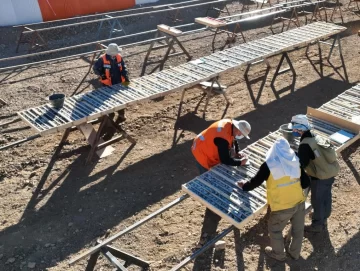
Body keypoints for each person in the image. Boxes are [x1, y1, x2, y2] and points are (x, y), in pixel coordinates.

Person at [237, 138, 310, 261]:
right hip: (299, 201)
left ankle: (279, 255)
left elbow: (255, 182)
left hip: (282, 206)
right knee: (298, 230)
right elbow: (306, 182)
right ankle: (294, 253)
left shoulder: (269, 165)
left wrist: (244, 186)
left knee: (275, 230)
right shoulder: (295, 161)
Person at [191, 119, 251, 247]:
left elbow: (233, 140)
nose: (240, 136)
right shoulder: (222, 137)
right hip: (202, 152)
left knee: (220, 174)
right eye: (240, 133)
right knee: (212, 180)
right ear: (236, 128)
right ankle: (211, 197)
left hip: (206, 143)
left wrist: (237, 152)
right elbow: (225, 160)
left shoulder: (230, 126)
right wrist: (240, 163)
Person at [290, 114, 338, 233]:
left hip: (320, 176)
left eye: (294, 127)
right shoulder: (315, 136)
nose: (293, 129)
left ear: (299, 128)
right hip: (330, 171)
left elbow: (302, 164)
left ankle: (317, 225)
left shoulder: (305, 144)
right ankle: (324, 217)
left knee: (317, 201)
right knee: (326, 196)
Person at [93, 43, 130, 139]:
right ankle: (111, 116)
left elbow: (123, 68)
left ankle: (121, 115)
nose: (115, 54)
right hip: (107, 84)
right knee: (109, 101)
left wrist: (126, 78)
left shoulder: (119, 57)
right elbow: (96, 69)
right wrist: (103, 76)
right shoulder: (102, 59)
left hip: (118, 83)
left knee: (120, 100)